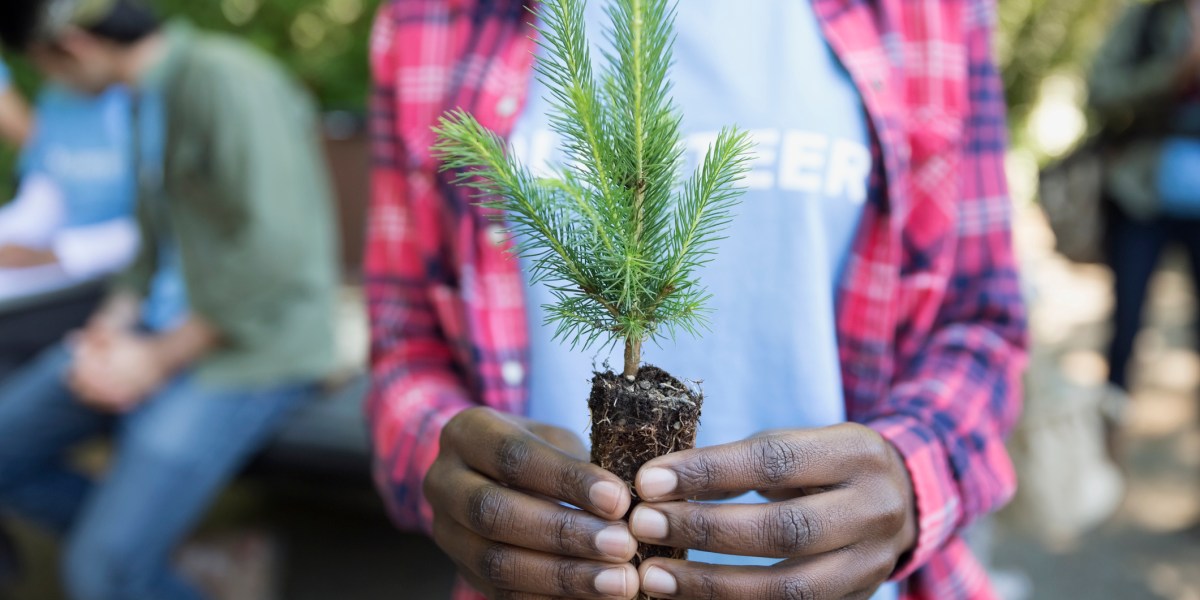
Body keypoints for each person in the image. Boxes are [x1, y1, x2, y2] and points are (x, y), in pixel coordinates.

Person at [365, 0, 1027, 599]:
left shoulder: (930, 14)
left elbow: (982, 323)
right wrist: (451, 473)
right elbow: (404, 346)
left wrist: (911, 478)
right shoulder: (430, 18)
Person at [0, 1, 339, 598]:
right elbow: (149, 247)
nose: (51, 84)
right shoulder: (142, 94)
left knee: (97, 572)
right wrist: (110, 328)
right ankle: (175, 553)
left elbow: (277, 250)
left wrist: (153, 360)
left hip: (247, 352)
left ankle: (132, 552)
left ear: (75, 47)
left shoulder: (225, 77)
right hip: (157, 334)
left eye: (43, 66)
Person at [0, 58, 146, 381]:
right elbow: (46, 190)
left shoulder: (150, 105)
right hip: (39, 276)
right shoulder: (58, 99)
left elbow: (163, 228)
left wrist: (57, 253)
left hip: (107, 280)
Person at [1089, 0, 1200, 394]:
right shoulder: (1146, 16)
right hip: (1141, 194)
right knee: (1125, 328)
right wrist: (1174, 74)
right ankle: (1108, 433)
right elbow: (1101, 90)